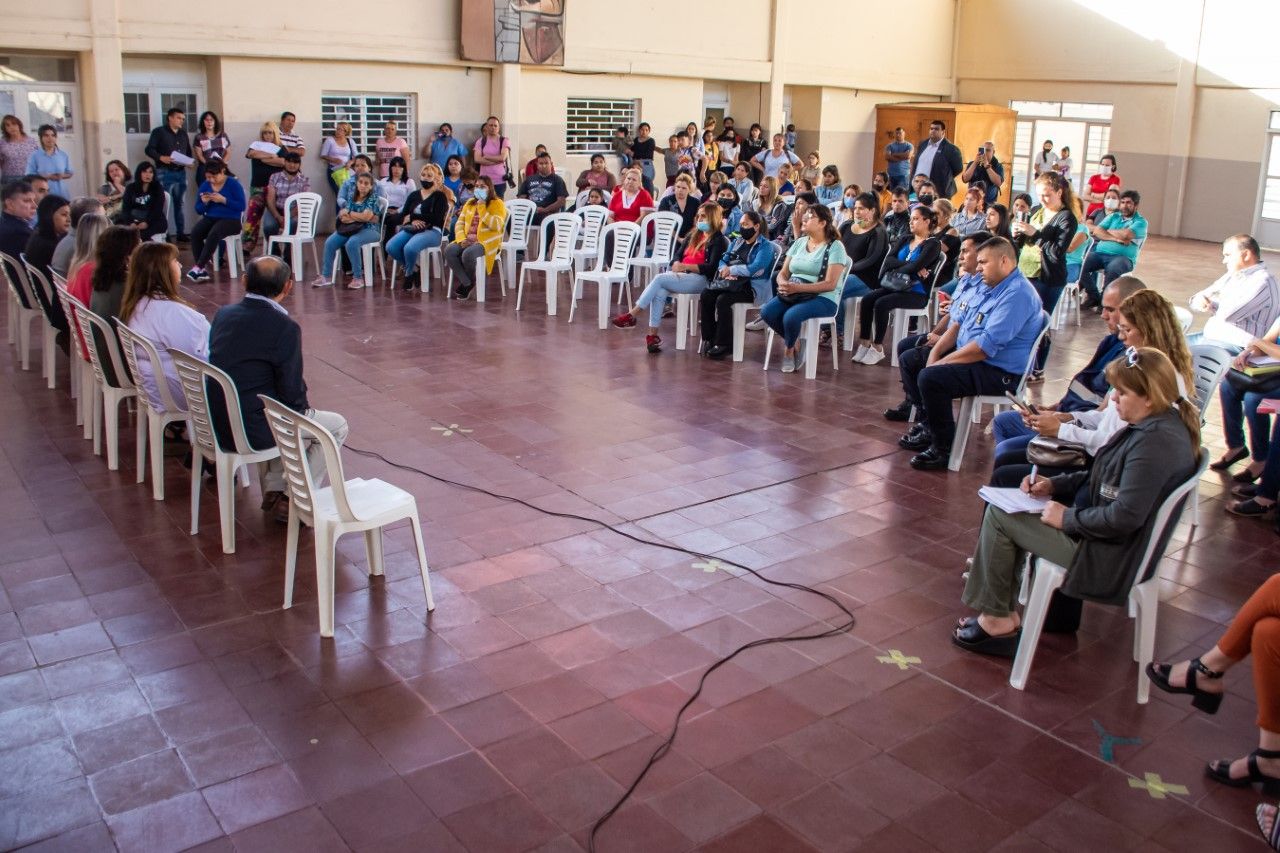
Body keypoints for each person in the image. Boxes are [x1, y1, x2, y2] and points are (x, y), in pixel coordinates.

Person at [953, 347, 1200, 656]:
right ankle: (1000, 614)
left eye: (1122, 393)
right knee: (1006, 509)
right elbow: (1104, 475)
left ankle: (998, 620)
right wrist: (1053, 484)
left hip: (1108, 558)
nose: (1112, 399)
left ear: (1149, 396)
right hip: (1107, 542)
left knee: (1000, 517)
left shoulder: (1153, 445)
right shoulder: (1155, 425)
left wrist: (1067, 518)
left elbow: (1124, 517)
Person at [991, 288, 1190, 488]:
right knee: (1006, 457)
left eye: (1127, 330)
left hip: (1101, 466)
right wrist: (1066, 417)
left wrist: (1061, 430)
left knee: (1004, 472)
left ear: (1148, 330)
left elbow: (1112, 443)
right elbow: (1105, 418)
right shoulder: (1137, 364)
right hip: (1096, 454)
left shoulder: (1152, 376)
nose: (1121, 337)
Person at [208, 255, 349, 522]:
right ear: (288, 286)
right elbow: (292, 393)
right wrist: (304, 411)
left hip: (218, 421)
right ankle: (293, 496)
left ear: (244, 281)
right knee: (335, 427)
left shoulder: (224, 315)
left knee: (275, 408)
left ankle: (275, 486)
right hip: (253, 429)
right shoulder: (283, 327)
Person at [897, 237, 1044, 470]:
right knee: (912, 359)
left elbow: (984, 348)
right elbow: (958, 324)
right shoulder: (992, 285)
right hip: (975, 356)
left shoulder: (1017, 294)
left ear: (1004, 261)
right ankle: (928, 426)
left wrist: (941, 364)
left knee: (931, 378)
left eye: (984, 262)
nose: (978, 267)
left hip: (998, 372)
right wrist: (935, 353)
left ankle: (943, 448)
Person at [986, 275, 1147, 455]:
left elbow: (1103, 424)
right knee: (1004, 423)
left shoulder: (1135, 364)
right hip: (1072, 418)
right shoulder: (1111, 342)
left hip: (1081, 435)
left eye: (1110, 310)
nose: (1103, 315)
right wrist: (1055, 409)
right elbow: (1084, 385)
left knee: (1007, 451)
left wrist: (1062, 426)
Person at [611, 201, 726, 353]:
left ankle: (632, 314)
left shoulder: (718, 240)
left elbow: (711, 268)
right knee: (660, 291)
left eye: (703, 216)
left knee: (659, 279)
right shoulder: (693, 235)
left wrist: (685, 267)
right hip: (681, 275)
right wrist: (676, 263)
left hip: (701, 279)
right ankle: (652, 336)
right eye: (698, 216)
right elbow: (676, 256)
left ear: (713, 217)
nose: (699, 219)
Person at [756, 204, 847, 373]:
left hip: (823, 297)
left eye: (810, 216)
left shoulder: (835, 247)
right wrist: (782, 283)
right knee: (767, 312)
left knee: (791, 316)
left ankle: (788, 351)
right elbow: (784, 272)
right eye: (804, 216)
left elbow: (830, 284)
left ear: (823, 223)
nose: (804, 219)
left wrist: (797, 288)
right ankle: (795, 342)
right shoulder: (799, 242)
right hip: (795, 292)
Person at [121, 242, 210, 409]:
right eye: (175, 261)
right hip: (184, 392)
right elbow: (197, 359)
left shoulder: (137, 304)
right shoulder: (172, 312)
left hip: (156, 387)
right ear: (162, 270)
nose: (180, 265)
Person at [852, 205, 943, 366]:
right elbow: (888, 261)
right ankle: (865, 342)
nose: (911, 222)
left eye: (916, 219)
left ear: (927, 221)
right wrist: (910, 266)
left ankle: (878, 347)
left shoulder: (933, 244)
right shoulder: (905, 239)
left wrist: (906, 267)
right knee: (867, 299)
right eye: (911, 219)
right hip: (894, 285)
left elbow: (915, 266)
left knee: (881, 303)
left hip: (916, 292)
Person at [1012, 171, 1081, 360]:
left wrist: (1034, 234)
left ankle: (1038, 364)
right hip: (1025, 272)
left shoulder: (1067, 218)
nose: (1042, 199)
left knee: (1039, 322)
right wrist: (1018, 234)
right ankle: (1021, 360)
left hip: (1047, 277)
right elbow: (1024, 242)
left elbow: (1056, 252)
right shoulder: (1037, 211)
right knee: (1021, 320)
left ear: (1059, 192)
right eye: (1039, 195)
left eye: (1047, 195)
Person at [699, 211, 776, 359]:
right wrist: (723, 268)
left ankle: (725, 344)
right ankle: (710, 338)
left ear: (756, 226)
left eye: (746, 224)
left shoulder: (765, 246)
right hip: (732, 283)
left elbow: (756, 268)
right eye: (741, 224)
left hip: (752, 288)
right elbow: (723, 259)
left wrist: (732, 269)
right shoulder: (737, 242)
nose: (742, 228)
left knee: (723, 300)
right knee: (706, 294)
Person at [1190, 234, 1280, 355]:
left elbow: (1228, 315)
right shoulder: (1232, 275)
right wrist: (1200, 300)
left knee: (1176, 356)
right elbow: (1195, 299)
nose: (1224, 261)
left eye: (1228, 255)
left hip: (1236, 345)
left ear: (1246, 255)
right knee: (1167, 344)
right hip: (1213, 337)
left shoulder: (1263, 281)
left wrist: (1211, 303)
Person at [313, 172, 385, 290]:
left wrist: (351, 214)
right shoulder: (352, 197)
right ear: (357, 184)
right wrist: (358, 216)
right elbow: (343, 216)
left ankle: (358, 278)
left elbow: (366, 217)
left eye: (366, 183)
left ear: (371, 186)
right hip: (352, 228)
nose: (363, 185)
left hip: (370, 229)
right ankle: (326, 276)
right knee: (330, 242)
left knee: (352, 242)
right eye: (360, 182)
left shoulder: (373, 198)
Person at [832, 192, 889, 340]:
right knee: (823, 283)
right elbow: (833, 246)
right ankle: (827, 327)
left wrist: (845, 270)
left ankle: (837, 331)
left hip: (866, 278)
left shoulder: (878, 232)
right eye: (856, 207)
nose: (856, 211)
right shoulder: (846, 225)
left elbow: (871, 260)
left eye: (861, 208)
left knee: (835, 287)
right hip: (842, 272)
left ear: (872, 210)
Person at [386, 163, 452, 291]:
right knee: (391, 247)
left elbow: (437, 219)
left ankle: (408, 274)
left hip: (432, 231)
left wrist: (413, 217)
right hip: (412, 228)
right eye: (423, 175)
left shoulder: (440, 196)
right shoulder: (414, 195)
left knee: (409, 248)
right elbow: (403, 215)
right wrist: (411, 221)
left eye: (429, 176)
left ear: (435, 178)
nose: (425, 178)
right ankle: (415, 268)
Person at [1079, 189, 1147, 306]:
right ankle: (1095, 297)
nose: (1124, 206)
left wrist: (1107, 231)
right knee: (1080, 263)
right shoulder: (1114, 216)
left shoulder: (1141, 222)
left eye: (1128, 203)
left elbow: (1126, 234)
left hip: (1123, 258)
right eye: (1123, 202)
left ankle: (1104, 303)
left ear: (1136, 205)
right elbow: (1097, 231)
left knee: (1113, 269)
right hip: (1100, 253)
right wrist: (1115, 238)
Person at [444, 174, 505, 300]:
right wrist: (462, 239)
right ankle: (468, 283)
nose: (478, 189)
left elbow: (496, 225)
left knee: (468, 254)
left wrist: (482, 208)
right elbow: (459, 223)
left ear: (490, 188)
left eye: (482, 187)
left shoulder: (497, 203)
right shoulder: (469, 203)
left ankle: (467, 282)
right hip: (467, 239)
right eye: (477, 186)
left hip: (486, 241)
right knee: (449, 250)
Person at [185, 161, 247, 282]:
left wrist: (224, 200)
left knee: (214, 233)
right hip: (211, 218)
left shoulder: (233, 184)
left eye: (214, 177)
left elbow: (241, 206)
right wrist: (205, 202)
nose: (212, 180)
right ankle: (202, 271)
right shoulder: (205, 185)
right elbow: (198, 210)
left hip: (231, 220)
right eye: (208, 177)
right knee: (196, 232)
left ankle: (198, 267)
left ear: (222, 171)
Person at [145, 108, 192, 242]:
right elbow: (149, 149)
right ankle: (164, 233)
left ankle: (180, 233)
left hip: (180, 172)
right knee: (164, 203)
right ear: (170, 118)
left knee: (180, 203)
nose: (181, 121)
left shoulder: (183, 134)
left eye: (183, 119)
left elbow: (188, 151)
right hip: (164, 172)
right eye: (179, 118)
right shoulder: (159, 132)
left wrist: (189, 162)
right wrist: (161, 157)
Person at [242, 122, 287, 250]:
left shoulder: (281, 147)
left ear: (275, 134)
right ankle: (247, 245)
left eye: (270, 133)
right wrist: (270, 156)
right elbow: (250, 154)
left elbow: (283, 162)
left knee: (274, 216)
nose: (267, 136)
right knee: (252, 216)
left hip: (275, 188)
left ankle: (275, 245)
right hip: (258, 186)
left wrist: (263, 158)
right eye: (265, 133)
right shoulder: (256, 145)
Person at [88, 225, 140, 326]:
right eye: (138, 250)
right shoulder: (128, 287)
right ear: (127, 257)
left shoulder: (102, 278)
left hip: (100, 334)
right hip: (116, 335)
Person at [518, 151, 569, 240]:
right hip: (531, 212)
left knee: (548, 222)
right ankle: (519, 247)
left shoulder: (557, 180)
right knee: (511, 219)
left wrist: (545, 210)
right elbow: (521, 197)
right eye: (541, 163)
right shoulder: (529, 179)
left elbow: (561, 201)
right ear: (537, 165)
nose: (544, 166)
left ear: (551, 164)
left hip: (548, 213)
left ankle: (545, 249)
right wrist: (531, 208)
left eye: (546, 163)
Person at [262, 152, 311, 240]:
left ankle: (289, 248)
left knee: (292, 225)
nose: (292, 165)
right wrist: (278, 217)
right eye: (289, 162)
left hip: (294, 211)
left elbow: (303, 202)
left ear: (299, 165)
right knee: (269, 226)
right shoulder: (274, 177)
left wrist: (287, 217)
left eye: (295, 162)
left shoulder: (304, 180)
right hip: (276, 209)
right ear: (284, 162)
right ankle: (274, 248)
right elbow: (270, 199)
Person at [909, 120, 964, 198]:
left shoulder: (951, 149)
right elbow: (916, 164)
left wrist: (943, 177)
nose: (933, 131)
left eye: (936, 129)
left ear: (943, 132)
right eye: (931, 128)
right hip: (917, 189)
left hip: (938, 190)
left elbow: (958, 169)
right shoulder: (923, 144)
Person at [51, 197, 105, 277]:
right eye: (103, 218)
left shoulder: (67, 240)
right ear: (88, 220)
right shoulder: (83, 247)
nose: (106, 222)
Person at [115, 162, 168, 243]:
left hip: (152, 219)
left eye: (150, 172)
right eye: (144, 172)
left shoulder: (158, 188)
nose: (148, 175)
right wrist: (131, 223)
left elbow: (157, 209)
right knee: (119, 227)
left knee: (141, 234)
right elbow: (126, 208)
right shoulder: (131, 188)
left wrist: (147, 223)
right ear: (139, 173)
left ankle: (146, 247)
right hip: (134, 218)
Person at [25, 124, 73, 198]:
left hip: (61, 194)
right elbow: (29, 175)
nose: (50, 138)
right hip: (42, 195)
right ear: (41, 138)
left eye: (53, 135)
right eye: (46, 135)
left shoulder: (63, 155)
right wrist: (47, 176)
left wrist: (62, 176)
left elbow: (70, 173)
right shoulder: (34, 156)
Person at [473, 116, 512, 197]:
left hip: (499, 180)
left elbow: (502, 158)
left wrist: (487, 157)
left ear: (499, 128)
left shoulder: (504, 140)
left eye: (495, 125)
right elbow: (477, 159)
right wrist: (497, 161)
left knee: (497, 203)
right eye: (490, 125)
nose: (493, 127)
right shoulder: (480, 141)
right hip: (483, 181)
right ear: (486, 127)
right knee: (482, 202)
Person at [377, 156, 415, 238]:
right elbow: (378, 198)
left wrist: (397, 211)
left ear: (404, 169)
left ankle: (387, 244)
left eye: (400, 167)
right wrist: (385, 209)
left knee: (391, 220)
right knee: (376, 218)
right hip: (386, 210)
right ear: (390, 168)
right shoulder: (383, 181)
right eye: (394, 166)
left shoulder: (409, 182)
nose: (396, 169)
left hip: (402, 210)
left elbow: (412, 201)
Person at [192, 110, 231, 188]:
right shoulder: (199, 137)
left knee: (221, 192)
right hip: (205, 169)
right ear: (203, 122)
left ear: (215, 121)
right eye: (207, 120)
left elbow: (229, 152)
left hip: (220, 169)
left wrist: (221, 165)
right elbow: (199, 155)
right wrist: (210, 165)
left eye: (211, 120)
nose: (209, 122)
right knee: (205, 192)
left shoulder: (223, 135)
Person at [319, 121, 357, 197]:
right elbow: (323, 155)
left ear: (345, 132)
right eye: (337, 129)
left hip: (347, 171)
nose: (337, 131)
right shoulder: (330, 140)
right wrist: (333, 159)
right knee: (340, 194)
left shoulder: (350, 141)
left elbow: (356, 156)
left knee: (350, 194)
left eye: (340, 129)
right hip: (334, 170)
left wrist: (350, 163)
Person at [960, 140, 1004, 206]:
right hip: (972, 202)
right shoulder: (972, 164)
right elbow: (965, 179)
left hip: (989, 203)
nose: (985, 153)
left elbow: (998, 182)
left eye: (988, 150)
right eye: (983, 150)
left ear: (993, 152)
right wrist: (975, 163)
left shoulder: (998, 166)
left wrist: (987, 166)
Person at [658, 173, 699, 241]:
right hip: (669, 238)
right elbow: (663, 224)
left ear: (689, 189)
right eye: (678, 187)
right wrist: (678, 239)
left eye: (684, 188)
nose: (680, 190)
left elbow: (696, 224)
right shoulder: (666, 201)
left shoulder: (695, 202)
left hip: (689, 238)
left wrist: (687, 239)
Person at [0, 115, 37, 185]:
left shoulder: (31, 141)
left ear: (19, 125)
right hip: (9, 179)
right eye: (8, 125)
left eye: (14, 124)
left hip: (29, 177)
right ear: (5, 129)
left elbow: (36, 159)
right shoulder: (2, 143)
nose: (11, 127)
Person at [1082, 154, 1121, 219]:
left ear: (1113, 166)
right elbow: (1085, 196)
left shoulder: (1116, 179)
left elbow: (1110, 195)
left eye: (1107, 165)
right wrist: (1101, 201)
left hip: (1105, 213)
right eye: (1102, 164)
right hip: (1091, 212)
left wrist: (1093, 195)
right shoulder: (1093, 177)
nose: (1104, 166)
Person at [751, 176, 789, 243]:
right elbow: (750, 221)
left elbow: (772, 227)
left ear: (772, 190)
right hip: (756, 236)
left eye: (766, 186)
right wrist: (768, 221)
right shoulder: (755, 203)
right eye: (761, 185)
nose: (761, 188)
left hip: (773, 239)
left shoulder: (779, 205)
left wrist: (756, 224)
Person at [630, 122, 657, 191]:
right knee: (635, 183)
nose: (644, 132)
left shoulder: (651, 141)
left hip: (646, 164)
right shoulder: (636, 140)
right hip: (636, 164)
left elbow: (647, 154)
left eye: (646, 130)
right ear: (639, 130)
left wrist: (635, 154)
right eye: (642, 130)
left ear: (649, 131)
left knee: (646, 183)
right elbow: (632, 151)